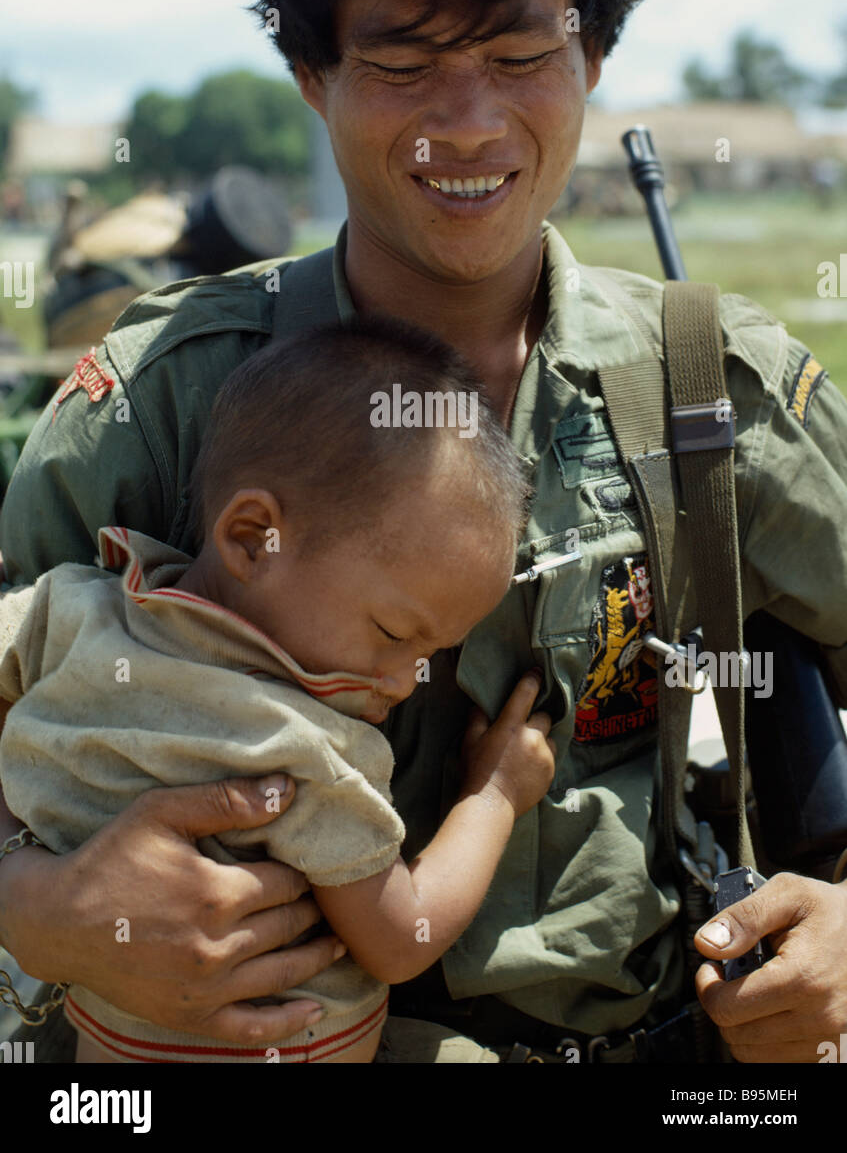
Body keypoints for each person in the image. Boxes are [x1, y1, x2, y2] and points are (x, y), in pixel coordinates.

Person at [1, 0, 846, 1065]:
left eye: (519, 52)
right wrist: (44, 913)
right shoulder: (163, 400)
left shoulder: (708, 389)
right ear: (308, 72)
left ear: (595, 53)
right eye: (402, 57)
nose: (469, 121)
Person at [0, 318, 554, 1063]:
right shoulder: (302, 752)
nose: (403, 680)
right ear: (255, 536)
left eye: (432, 654)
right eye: (394, 633)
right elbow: (400, 938)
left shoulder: (72, 611)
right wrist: (492, 798)